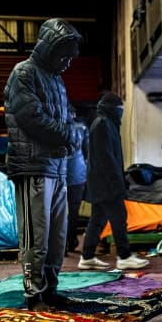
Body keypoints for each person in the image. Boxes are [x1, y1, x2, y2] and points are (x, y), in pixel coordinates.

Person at [3, 18, 83, 311]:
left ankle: (49, 289)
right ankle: (33, 294)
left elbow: (61, 120)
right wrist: (68, 134)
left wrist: (67, 136)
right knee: (36, 236)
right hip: (33, 166)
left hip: (56, 168)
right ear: (50, 49)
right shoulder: (24, 73)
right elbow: (31, 117)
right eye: (64, 56)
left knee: (56, 237)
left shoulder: (56, 80)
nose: (67, 63)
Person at [78, 91, 150, 271]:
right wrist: (117, 182)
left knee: (97, 220)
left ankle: (87, 257)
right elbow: (106, 158)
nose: (122, 112)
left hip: (101, 182)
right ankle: (124, 256)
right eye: (120, 109)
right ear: (114, 109)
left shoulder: (104, 123)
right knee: (119, 217)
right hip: (106, 183)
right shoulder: (103, 124)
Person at [66, 104, 89, 254]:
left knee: (57, 212)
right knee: (74, 211)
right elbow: (88, 152)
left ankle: (60, 246)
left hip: (57, 175)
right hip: (77, 174)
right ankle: (72, 241)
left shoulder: (52, 129)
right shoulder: (81, 129)